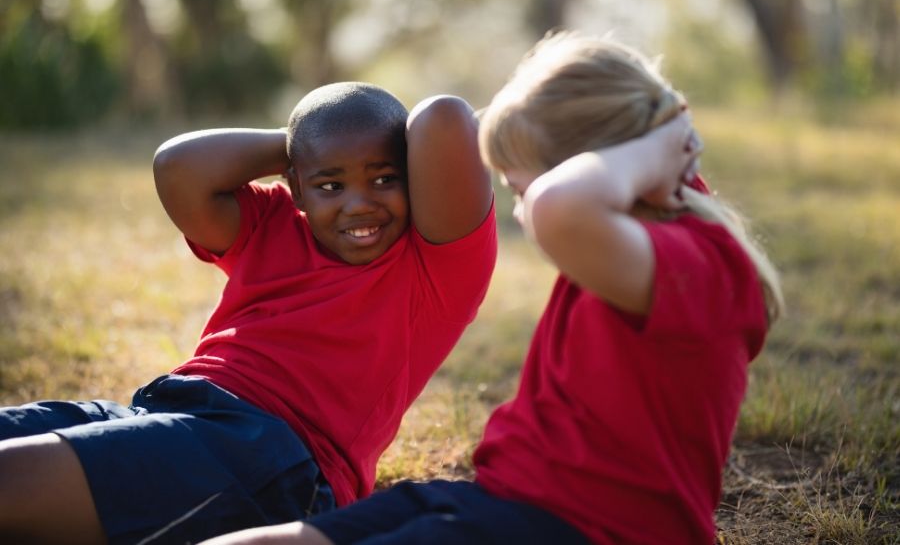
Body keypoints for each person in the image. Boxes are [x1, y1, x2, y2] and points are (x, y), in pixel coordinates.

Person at [199, 32, 785, 545]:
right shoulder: (650, 241)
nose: (522, 205)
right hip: (505, 500)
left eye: (522, 184)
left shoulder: (702, 266)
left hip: (582, 529)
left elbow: (559, 209)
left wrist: (653, 144)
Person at [0, 82, 496, 544]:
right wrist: (305, 142)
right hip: (161, 411)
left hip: (266, 457)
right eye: (330, 185)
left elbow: (444, 119)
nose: (359, 204)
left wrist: (329, 150)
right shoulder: (278, 222)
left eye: (384, 178)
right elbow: (177, 167)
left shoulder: (432, 272)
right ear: (296, 189)